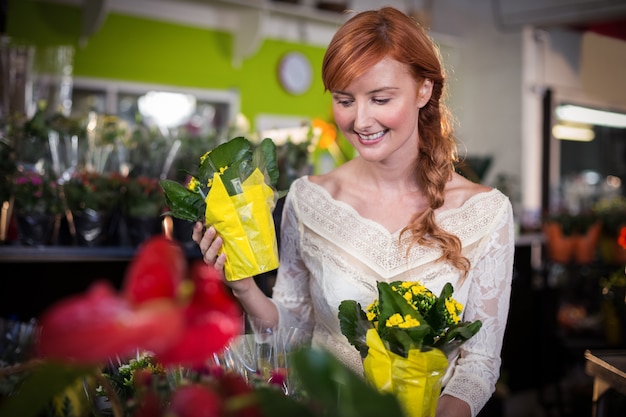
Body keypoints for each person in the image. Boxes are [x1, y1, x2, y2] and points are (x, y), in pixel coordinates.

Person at [193, 6, 514, 417]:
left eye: (380, 98)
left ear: (424, 90)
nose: (360, 120)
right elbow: (292, 334)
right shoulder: (309, 200)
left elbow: (479, 364)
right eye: (345, 100)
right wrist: (241, 286)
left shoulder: (487, 213)